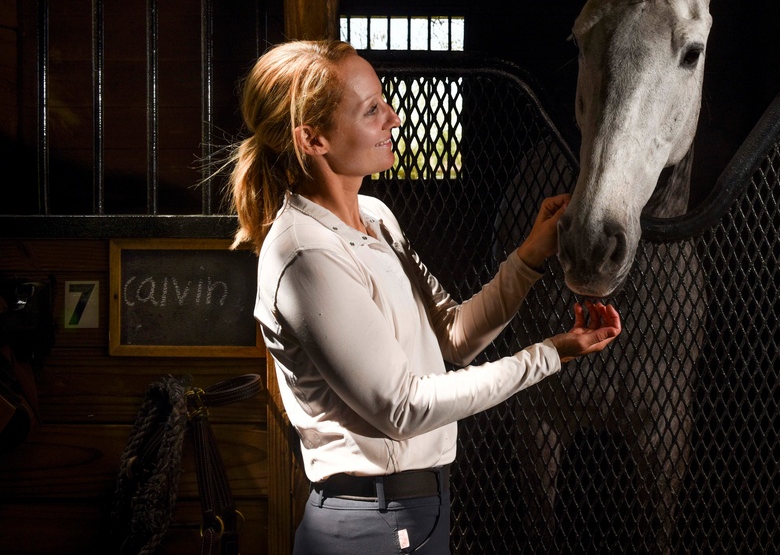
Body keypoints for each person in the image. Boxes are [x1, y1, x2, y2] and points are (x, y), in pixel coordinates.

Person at [226, 38, 622, 555]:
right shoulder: (306, 255)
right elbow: (404, 408)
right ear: (313, 139)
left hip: (417, 511)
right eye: (372, 110)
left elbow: (453, 337)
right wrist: (551, 354)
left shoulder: (378, 219)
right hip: (368, 522)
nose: (394, 119)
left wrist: (529, 256)